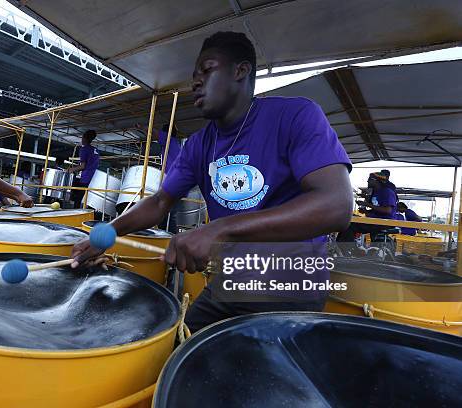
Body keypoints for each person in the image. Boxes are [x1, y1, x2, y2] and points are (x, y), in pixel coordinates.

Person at [72, 31, 353, 332]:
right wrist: (106, 235)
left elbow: (336, 205)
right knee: (177, 347)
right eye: (194, 76)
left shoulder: (295, 115)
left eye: (207, 70)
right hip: (232, 280)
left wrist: (220, 230)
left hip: (290, 282)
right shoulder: (199, 144)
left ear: (240, 71)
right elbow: (160, 201)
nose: (195, 81)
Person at [337, 172, 397, 242]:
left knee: (350, 225)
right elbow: (377, 210)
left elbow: (387, 210)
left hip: (384, 222)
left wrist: (367, 204)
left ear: (376, 181)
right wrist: (365, 211)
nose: (367, 181)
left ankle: (348, 250)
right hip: (376, 221)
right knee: (348, 222)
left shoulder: (387, 192)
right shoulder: (376, 192)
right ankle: (340, 247)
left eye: (370, 179)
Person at [157, 123, 183, 233]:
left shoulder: (169, 140)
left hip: (172, 181)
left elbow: (154, 134)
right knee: (168, 214)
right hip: (177, 181)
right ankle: (168, 236)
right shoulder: (176, 144)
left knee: (167, 214)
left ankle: (170, 237)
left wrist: (142, 127)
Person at [67, 130, 100, 208]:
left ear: (84, 138)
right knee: (87, 201)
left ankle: (75, 217)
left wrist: (71, 170)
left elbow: (83, 166)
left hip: (85, 179)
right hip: (94, 179)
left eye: (82, 138)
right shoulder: (96, 150)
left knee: (78, 200)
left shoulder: (84, 149)